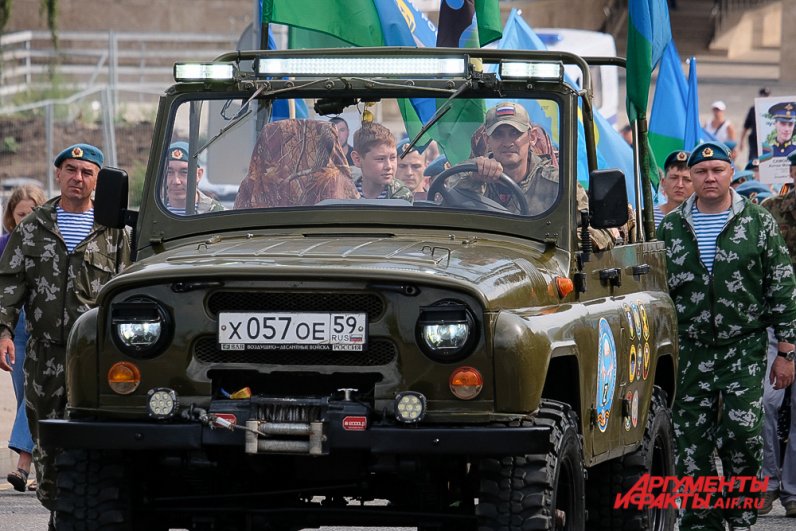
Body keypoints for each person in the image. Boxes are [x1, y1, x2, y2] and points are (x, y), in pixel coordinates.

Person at [657, 141, 796, 531]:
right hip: (691, 349)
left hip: (744, 347)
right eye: (701, 172)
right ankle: (701, 520)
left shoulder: (757, 221)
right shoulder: (670, 227)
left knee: (743, 434)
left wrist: (787, 351)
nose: (709, 178)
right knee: (692, 439)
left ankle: (740, 514)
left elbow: (781, 287)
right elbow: (656, 291)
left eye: (717, 170)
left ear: (731, 173)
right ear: (691, 179)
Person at [0, 143, 131, 519]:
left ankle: (74, 513)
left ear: (97, 180)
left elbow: (127, 286)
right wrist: (4, 333)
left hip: (96, 357)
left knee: (92, 440)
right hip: (44, 355)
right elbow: (9, 283)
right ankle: (58, 507)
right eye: (71, 170)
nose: (78, 178)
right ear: (58, 174)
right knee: (44, 442)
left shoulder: (114, 231)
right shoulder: (33, 226)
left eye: (87, 172)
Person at [1, 184, 47, 493]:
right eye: (20, 214)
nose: (26, 219)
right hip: (15, 328)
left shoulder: (50, 243)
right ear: (10, 217)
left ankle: (24, 464)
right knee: (24, 397)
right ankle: (43, 468)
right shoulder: (3, 244)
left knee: (35, 391)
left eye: (32, 213)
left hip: (44, 326)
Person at [759, 150, 796, 518]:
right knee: (768, 402)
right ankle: (766, 481)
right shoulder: (769, 211)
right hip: (775, 321)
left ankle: (792, 491)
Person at [351, 122, 413, 201]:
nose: (389, 166)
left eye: (393, 158)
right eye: (380, 159)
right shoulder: (342, 190)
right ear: (357, 159)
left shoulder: (402, 196)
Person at [165, 141, 225, 214]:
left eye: (184, 172)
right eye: (169, 172)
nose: (176, 181)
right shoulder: (152, 211)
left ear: (199, 175)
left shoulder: (216, 213)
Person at [653, 150, 692, 226]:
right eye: (674, 178)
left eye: (687, 180)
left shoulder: (701, 218)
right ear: (663, 182)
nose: (679, 185)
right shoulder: (647, 217)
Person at [739, 87, 770, 162]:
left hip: (768, 139)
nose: (764, 97)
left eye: (766, 96)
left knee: (767, 160)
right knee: (753, 161)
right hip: (754, 139)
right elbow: (746, 126)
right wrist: (741, 141)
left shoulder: (773, 109)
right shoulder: (753, 109)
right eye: (763, 95)